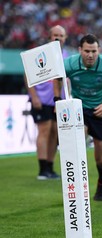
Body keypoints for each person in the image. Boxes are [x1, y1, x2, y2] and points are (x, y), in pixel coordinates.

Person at [54, 34, 102, 201]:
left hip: (101, 111)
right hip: (79, 109)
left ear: (98, 50)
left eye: (94, 51)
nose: (90, 55)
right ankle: (77, 187)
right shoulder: (70, 64)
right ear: (80, 50)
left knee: (101, 158)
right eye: (87, 51)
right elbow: (57, 78)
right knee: (78, 145)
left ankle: (101, 182)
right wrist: (57, 100)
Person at [26, 25, 68, 180]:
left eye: (61, 35)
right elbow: (28, 75)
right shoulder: (40, 53)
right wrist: (34, 96)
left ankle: (50, 167)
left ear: (65, 38)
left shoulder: (66, 54)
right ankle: (42, 169)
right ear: (49, 37)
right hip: (42, 99)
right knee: (44, 130)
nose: (57, 38)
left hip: (58, 101)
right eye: (54, 35)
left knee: (55, 133)